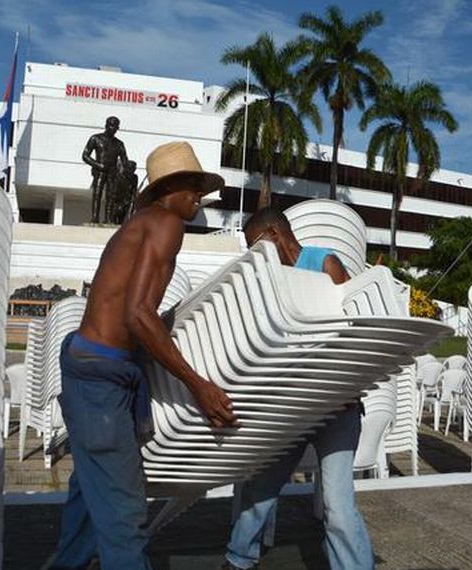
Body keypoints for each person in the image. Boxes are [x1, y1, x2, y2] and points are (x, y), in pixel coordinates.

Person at [49, 141, 239, 570]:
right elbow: (137, 314)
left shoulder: (139, 224)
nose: (197, 197)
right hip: (101, 376)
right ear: (166, 190)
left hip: (90, 363)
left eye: (199, 188)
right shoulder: (167, 224)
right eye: (190, 187)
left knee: (88, 495)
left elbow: (130, 310)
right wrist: (200, 387)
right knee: (124, 513)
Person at [222, 207, 374, 570]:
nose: (253, 255)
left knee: (337, 504)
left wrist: (344, 387)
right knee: (261, 487)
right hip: (293, 406)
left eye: (254, 246)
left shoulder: (325, 264)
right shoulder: (271, 279)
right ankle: (239, 558)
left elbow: (356, 331)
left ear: (275, 234)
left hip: (338, 408)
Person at [82, 116, 129, 224]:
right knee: (97, 194)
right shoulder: (95, 138)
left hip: (112, 173)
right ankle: (95, 218)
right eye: (111, 125)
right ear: (106, 125)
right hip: (100, 171)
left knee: (111, 196)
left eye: (115, 126)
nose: (113, 128)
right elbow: (85, 156)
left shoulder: (119, 144)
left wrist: (127, 167)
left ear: (118, 128)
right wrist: (97, 165)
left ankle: (108, 219)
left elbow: (124, 160)